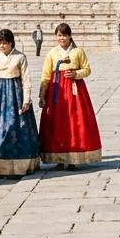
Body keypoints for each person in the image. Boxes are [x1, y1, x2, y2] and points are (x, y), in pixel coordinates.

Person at [38, 23, 103, 169]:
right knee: (57, 123)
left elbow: (87, 69)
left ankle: (74, 157)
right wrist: (42, 93)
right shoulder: (52, 53)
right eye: (59, 35)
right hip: (56, 91)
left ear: (70, 36)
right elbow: (46, 74)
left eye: (64, 35)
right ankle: (59, 158)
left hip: (74, 92)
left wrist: (75, 74)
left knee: (74, 121)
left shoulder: (78, 52)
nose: (61, 38)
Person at [0, 29, 40, 177]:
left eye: (4, 43)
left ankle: (20, 165)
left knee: (16, 127)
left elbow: (26, 79)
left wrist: (26, 99)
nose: (1, 46)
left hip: (16, 96)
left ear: (11, 43)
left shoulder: (20, 57)